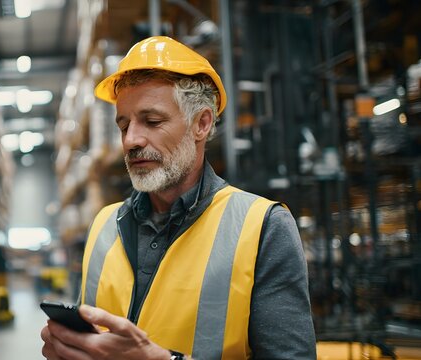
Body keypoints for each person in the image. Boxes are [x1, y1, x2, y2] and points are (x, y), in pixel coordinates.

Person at [41, 36, 316, 360]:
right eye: (124, 124)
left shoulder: (261, 227)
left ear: (201, 123)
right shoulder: (104, 224)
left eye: (152, 121)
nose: (131, 140)